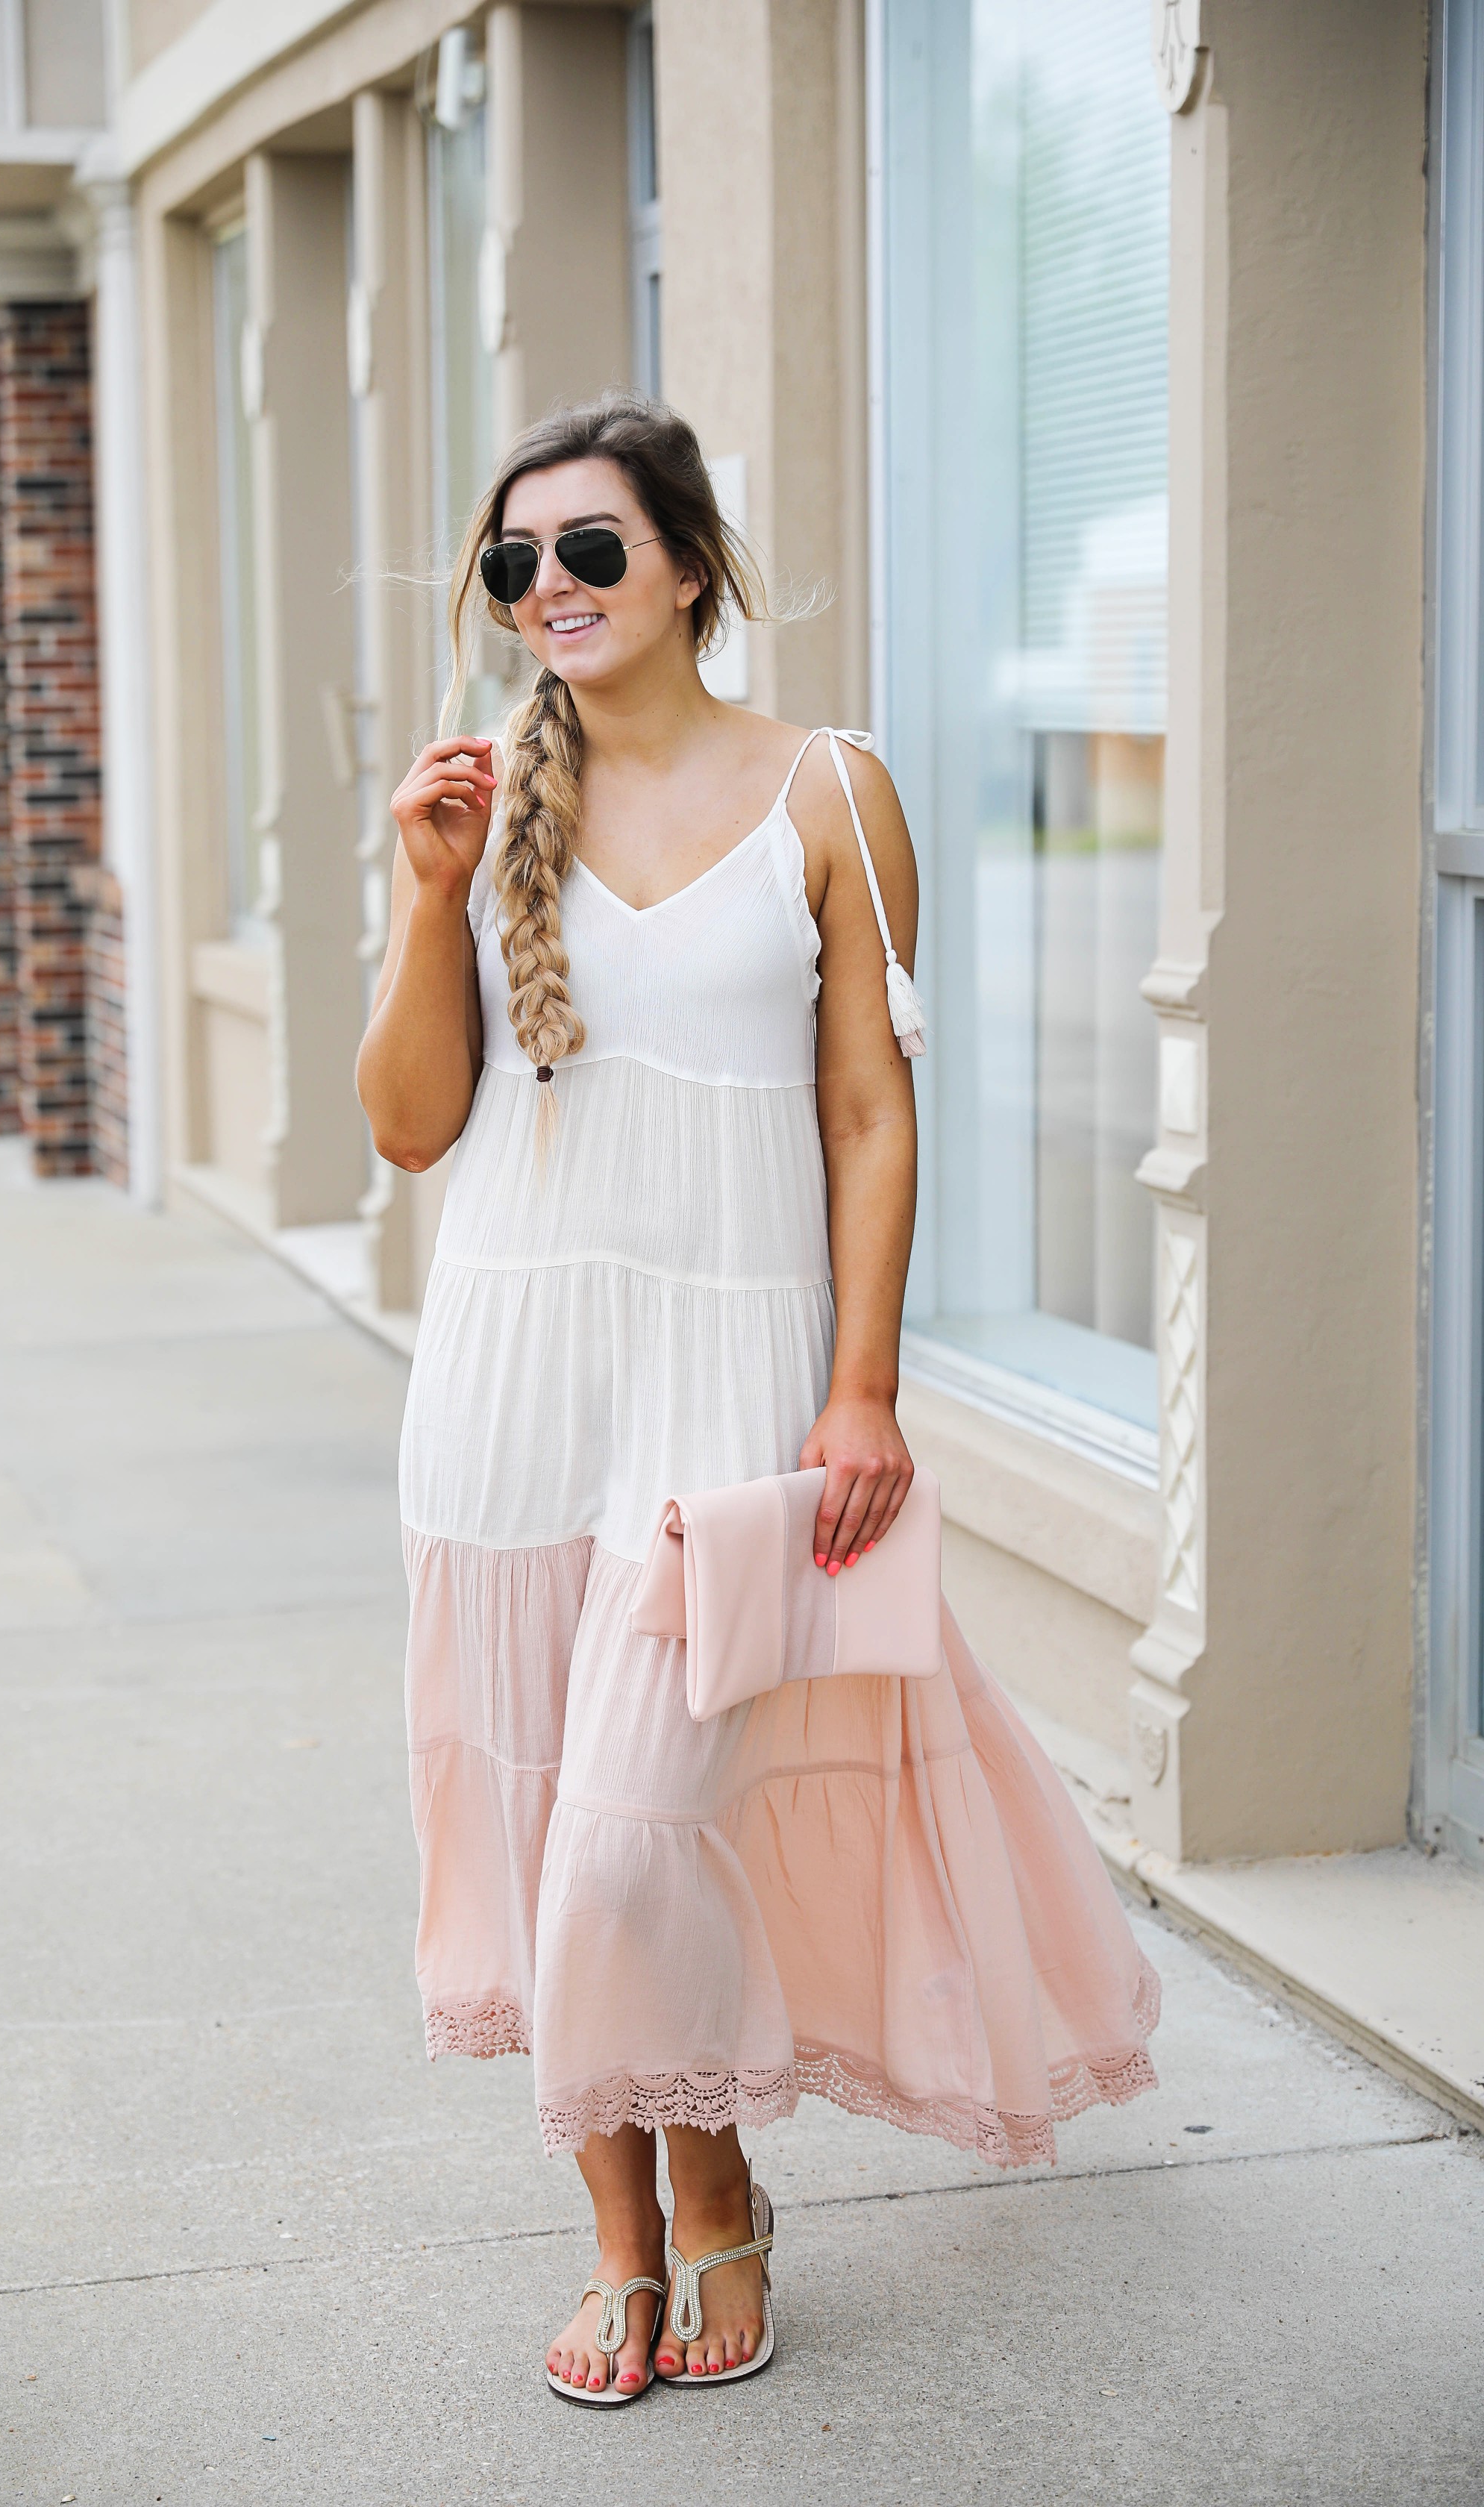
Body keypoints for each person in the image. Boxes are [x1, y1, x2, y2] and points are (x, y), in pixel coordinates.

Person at [357, 394, 1159, 2406]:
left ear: (690, 567)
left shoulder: (828, 787)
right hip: (514, 1366)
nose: (550, 587)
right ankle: (633, 2226)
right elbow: (407, 1126)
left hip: (725, 1364)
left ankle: (714, 2184)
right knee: (550, 1822)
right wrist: (422, 894)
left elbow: (874, 1109)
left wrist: (866, 1385)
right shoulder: (481, 804)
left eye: (592, 550)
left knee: (643, 1833)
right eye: (516, 560)